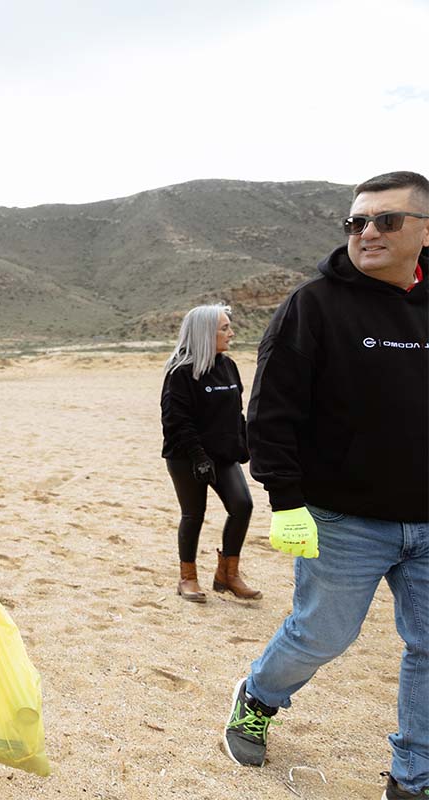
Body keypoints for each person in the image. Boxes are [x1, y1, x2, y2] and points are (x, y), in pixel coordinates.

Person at [221, 171, 429, 800]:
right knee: (323, 635)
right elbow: (272, 412)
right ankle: (258, 696)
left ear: (424, 231)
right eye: (356, 222)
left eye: (386, 221)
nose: (366, 232)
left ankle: (413, 777)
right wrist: (285, 501)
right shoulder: (314, 304)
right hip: (343, 518)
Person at [160, 304, 258, 602]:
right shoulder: (180, 373)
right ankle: (187, 578)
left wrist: (242, 444)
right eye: (224, 328)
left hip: (222, 454)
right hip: (186, 455)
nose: (232, 333)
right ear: (205, 333)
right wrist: (199, 457)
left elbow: (235, 412)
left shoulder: (228, 365)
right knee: (194, 514)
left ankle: (228, 574)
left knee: (242, 505)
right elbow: (177, 422)